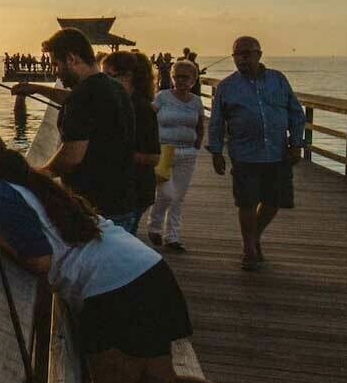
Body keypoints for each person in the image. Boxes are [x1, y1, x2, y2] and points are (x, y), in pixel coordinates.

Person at [0, 129, 321, 383]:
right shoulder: (29, 180)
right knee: (162, 382)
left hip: (114, 291)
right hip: (144, 270)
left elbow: (40, 262)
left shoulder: (1, 198)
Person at [13, 28, 139, 229]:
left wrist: (37, 175)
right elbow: (76, 101)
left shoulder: (82, 98)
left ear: (71, 59)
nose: (55, 71)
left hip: (97, 209)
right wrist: (36, 89)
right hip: (123, 201)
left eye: (56, 64)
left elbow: (72, 157)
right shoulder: (113, 88)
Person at [207, 36, 306, 271]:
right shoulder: (226, 86)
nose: (242, 58)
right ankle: (249, 248)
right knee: (247, 202)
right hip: (244, 154)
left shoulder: (278, 80)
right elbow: (217, 121)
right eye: (237, 54)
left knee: (274, 201)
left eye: (247, 53)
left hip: (277, 152)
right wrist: (216, 151)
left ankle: (254, 236)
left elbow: (296, 112)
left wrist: (297, 143)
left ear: (259, 54)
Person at [146, 60, 207, 251]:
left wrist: (197, 145)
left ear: (193, 80)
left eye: (185, 77)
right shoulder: (162, 97)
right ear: (171, 78)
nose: (180, 80)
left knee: (178, 196)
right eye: (176, 76)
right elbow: (148, 118)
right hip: (165, 150)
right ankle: (154, 225)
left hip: (188, 152)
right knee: (166, 193)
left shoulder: (196, 101)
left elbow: (199, 125)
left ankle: (172, 237)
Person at [100, 51, 160, 236]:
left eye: (108, 76)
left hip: (135, 190)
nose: (102, 82)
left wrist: (116, 152)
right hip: (123, 190)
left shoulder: (141, 109)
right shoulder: (118, 103)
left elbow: (154, 157)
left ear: (127, 76)